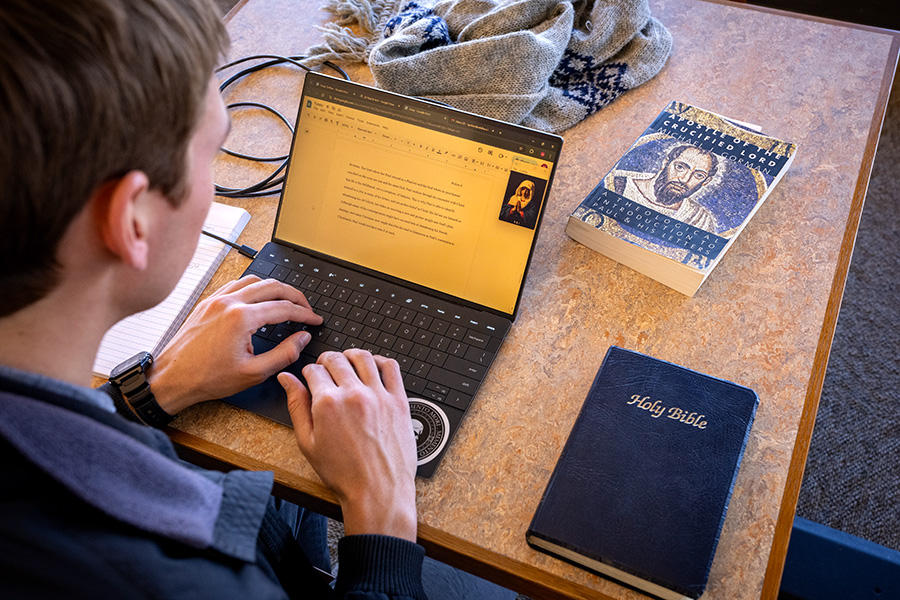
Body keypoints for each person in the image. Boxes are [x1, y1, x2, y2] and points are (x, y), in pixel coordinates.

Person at [0, 1, 516, 598]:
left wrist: (150, 392)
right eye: (211, 155)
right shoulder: (192, 584)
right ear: (133, 221)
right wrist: (384, 513)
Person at [611, 144, 719, 232]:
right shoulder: (618, 185)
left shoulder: (700, 219)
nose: (684, 179)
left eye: (699, 175)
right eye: (680, 167)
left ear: (706, 181)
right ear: (666, 163)